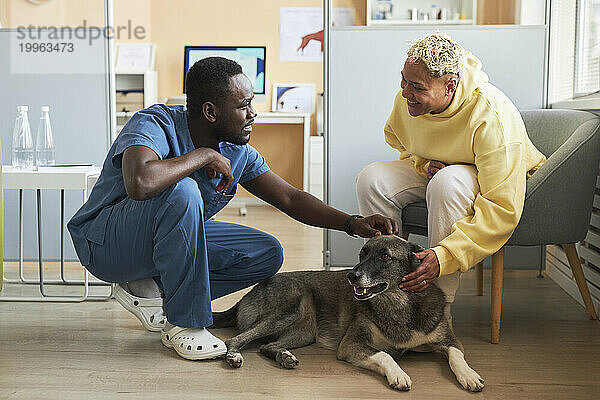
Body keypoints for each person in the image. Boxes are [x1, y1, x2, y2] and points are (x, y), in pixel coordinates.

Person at [67, 57, 398, 361]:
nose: (253, 112)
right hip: (105, 244)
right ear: (211, 112)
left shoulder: (238, 151)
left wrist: (353, 223)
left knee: (266, 252)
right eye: (244, 105)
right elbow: (141, 182)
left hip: (155, 244)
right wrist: (204, 156)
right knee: (181, 190)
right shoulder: (154, 122)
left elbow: (291, 199)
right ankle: (184, 324)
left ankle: (152, 285)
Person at [356, 33, 546, 319]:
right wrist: (424, 164)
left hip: (493, 181)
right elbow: (405, 147)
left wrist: (445, 256)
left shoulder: (491, 116)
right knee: (372, 178)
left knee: (448, 182)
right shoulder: (408, 100)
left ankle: (437, 309)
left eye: (416, 87)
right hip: (441, 172)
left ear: (450, 85)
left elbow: (502, 207)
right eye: (403, 80)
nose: (405, 92)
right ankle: (385, 291)